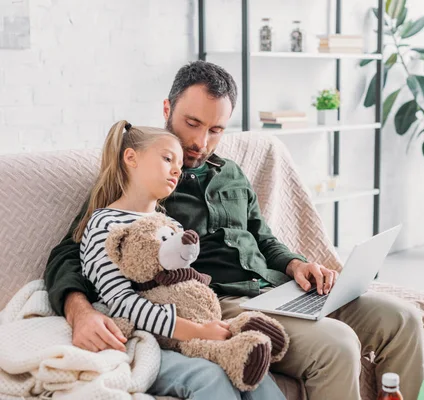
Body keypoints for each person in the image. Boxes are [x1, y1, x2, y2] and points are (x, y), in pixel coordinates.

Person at [44, 60, 424, 400]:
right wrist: (79, 311)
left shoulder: (231, 173)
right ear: (167, 108)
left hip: (280, 289)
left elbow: (264, 238)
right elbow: (71, 250)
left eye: (215, 129)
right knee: (337, 344)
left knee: (403, 318)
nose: (200, 141)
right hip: (225, 303)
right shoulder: (145, 177)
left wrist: (296, 265)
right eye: (192, 123)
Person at [72, 120, 285, 399]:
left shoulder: (171, 225)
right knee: (211, 377)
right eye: (167, 159)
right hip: (143, 337)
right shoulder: (107, 224)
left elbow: (184, 287)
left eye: (180, 163)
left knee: (257, 376)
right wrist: (196, 330)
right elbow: (121, 303)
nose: (177, 169)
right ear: (131, 158)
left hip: (185, 331)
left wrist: (207, 324)